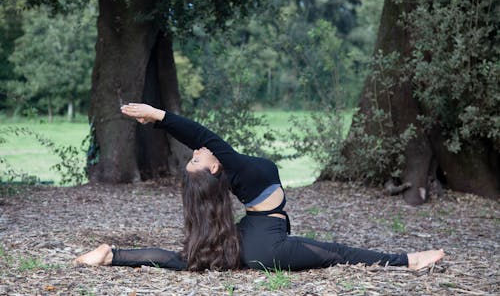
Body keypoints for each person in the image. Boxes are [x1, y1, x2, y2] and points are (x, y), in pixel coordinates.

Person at [74, 103, 445, 271]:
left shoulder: (232, 174)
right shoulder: (237, 169)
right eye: (196, 158)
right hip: (267, 244)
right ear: (215, 165)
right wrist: (158, 116)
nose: (198, 151)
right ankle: (409, 261)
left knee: (188, 260)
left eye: (194, 156)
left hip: (254, 234)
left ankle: (112, 255)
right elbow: (201, 134)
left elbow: (201, 140)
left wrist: (158, 121)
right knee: (337, 252)